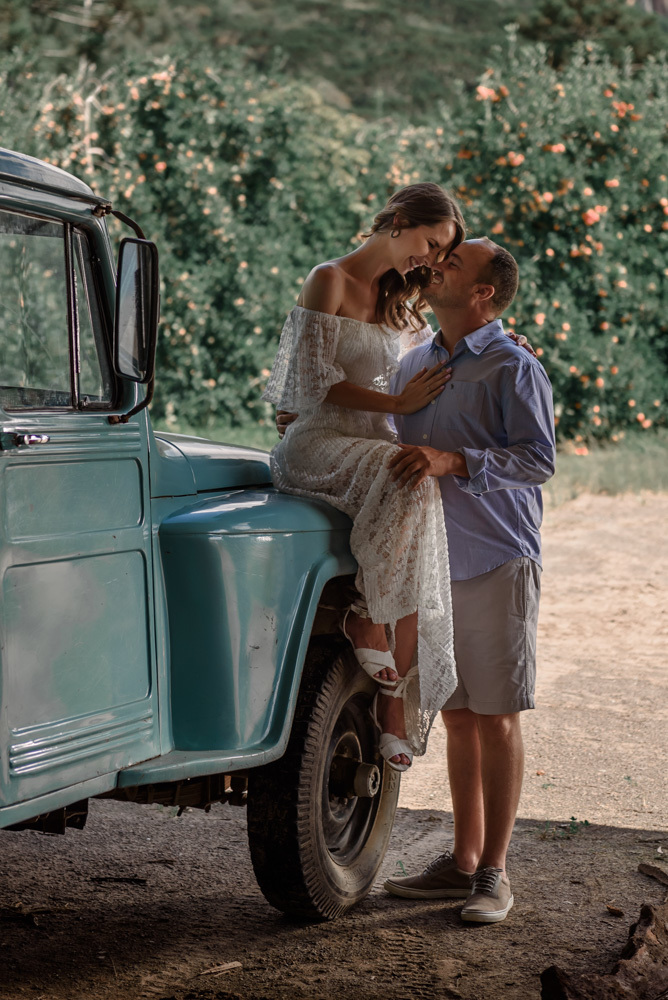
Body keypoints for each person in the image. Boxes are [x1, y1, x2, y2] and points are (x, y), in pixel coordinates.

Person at [381, 237, 556, 923]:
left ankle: (495, 874)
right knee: (455, 714)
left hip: (495, 558)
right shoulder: (415, 360)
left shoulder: (514, 366)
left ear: (486, 292)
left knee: (496, 716)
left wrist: (453, 462)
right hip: (427, 560)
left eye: (457, 262)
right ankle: (461, 863)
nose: (440, 264)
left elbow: (537, 460)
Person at [262, 184, 465, 770]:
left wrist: (515, 347)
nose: (427, 261)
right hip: (318, 442)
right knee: (406, 475)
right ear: (397, 221)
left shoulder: (403, 302)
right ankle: (367, 624)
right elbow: (311, 381)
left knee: (414, 496)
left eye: (439, 253)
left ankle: (391, 704)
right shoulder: (328, 279)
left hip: (375, 446)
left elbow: (445, 357)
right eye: (429, 243)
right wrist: (399, 407)